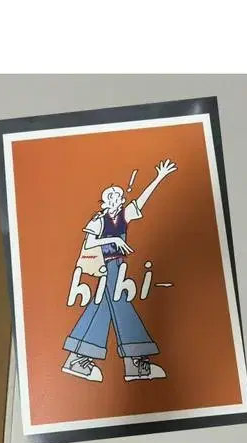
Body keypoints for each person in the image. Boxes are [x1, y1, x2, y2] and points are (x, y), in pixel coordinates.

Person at [61, 159, 176, 383]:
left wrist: (159, 178)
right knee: (121, 304)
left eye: (118, 196)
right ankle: (134, 362)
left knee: (102, 307)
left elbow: (141, 201)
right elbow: (89, 244)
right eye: (111, 196)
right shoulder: (98, 221)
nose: (115, 198)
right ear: (104, 201)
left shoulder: (123, 215)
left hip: (118, 266)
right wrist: (113, 239)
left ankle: (77, 358)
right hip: (106, 265)